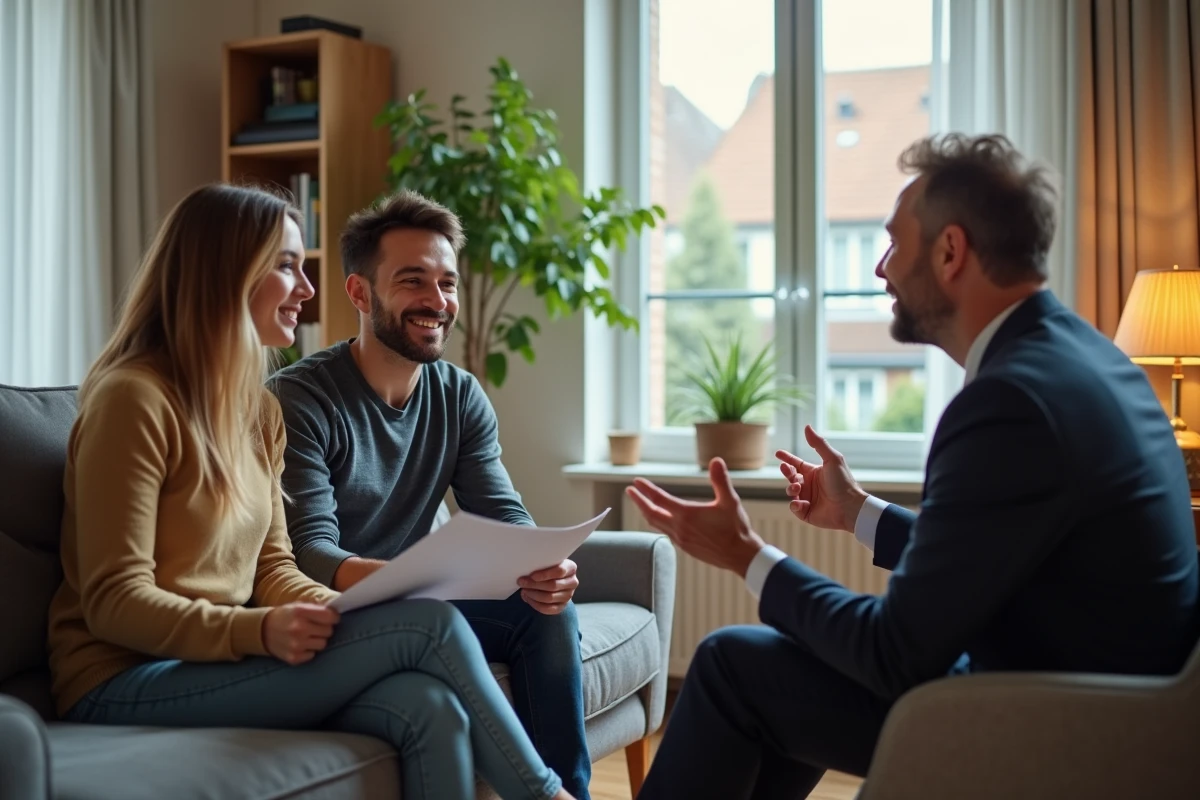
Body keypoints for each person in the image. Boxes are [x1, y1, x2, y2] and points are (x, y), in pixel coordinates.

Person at [625, 133, 1200, 799]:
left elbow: (893, 655)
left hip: (1061, 721)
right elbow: (995, 551)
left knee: (732, 665)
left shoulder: (1009, 400)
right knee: (761, 673)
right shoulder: (1085, 358)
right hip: (1105, 693)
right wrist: (859, 513)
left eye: (895, 243)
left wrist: (746, 555)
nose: (880, 268)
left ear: (951, 251)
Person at [47, 183, 576, 800]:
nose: (306, 288)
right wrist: (259, 632)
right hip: (121, 676)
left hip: (215, 659)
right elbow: (114, 600)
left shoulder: (255, 412)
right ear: (225, 272)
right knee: (430, 625)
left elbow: (275, 565)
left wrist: (332, 613)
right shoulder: (133, 399)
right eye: (287, 266)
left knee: (432, 706)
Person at [269, 189, 591, 798]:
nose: (436, 302)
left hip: (424, 603)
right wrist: (413, 582)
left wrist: (547, 566)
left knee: (547, 608)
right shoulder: (301, 398)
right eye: (413, 281)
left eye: (447, 284)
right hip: (340, 613)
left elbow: (505, 518)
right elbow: (310, 551)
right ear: (360, 293)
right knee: (441, 617)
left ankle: (574, 790)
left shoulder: (459, 394)